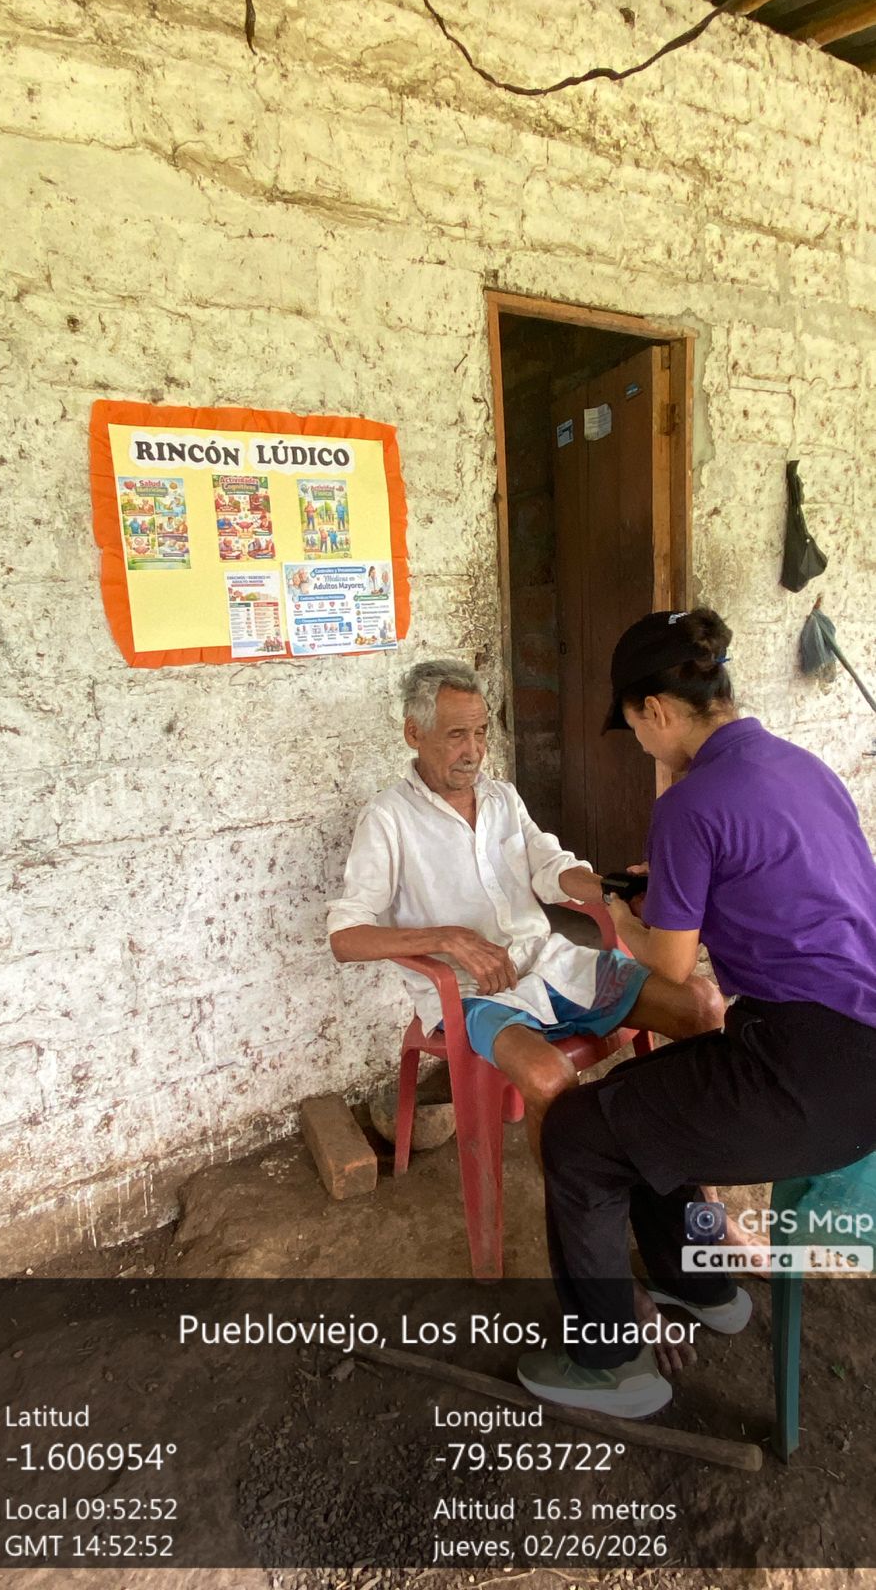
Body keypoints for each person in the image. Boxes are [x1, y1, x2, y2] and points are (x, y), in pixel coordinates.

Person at [517, 608, 876, 1418]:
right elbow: (786, 895)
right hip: (855, 1045)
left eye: (636, 729)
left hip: (812, 1073)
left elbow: (672, 967)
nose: (643, 747)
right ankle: (703, 1286)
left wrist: (620, 918)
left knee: (578, 1133)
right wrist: (677, 891)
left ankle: (609, 1365)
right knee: (646, 1106)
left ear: (656, 710)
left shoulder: (691, 802)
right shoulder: (804, 767)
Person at [327, 659, 723, 1163]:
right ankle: (574, 1198)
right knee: (549, 1076)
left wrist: (614, 889)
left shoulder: (502, 798)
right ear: (413, 733)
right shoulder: (388, 820)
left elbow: (549, 868)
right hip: (473, 995)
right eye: (456, 735)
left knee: (702, 1006)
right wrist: (447, 938)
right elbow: (346, 937)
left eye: (480, 733)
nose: (474, 751)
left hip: (550, 963)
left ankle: (683, 1168)